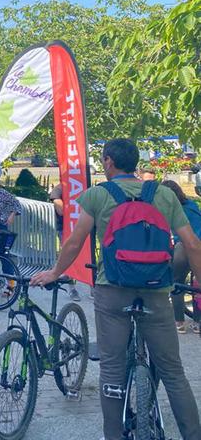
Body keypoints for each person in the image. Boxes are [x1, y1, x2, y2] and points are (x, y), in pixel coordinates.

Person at [31, 139, 201, 440]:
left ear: (109, 162)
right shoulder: (163, 194)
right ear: (135, 161)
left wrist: (55, 272)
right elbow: (192, 244)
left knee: (112, 369)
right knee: (174, 373)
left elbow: (75, 240)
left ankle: (113, 435)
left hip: (113, 290)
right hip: (156, 290)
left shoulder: (97, 195)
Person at [162, 180, 201, 334]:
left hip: (183, 248)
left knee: (177, 283)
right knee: (198, 286)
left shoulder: (171, 209)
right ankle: (198, 322)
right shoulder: (192, 206)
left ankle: (179, 322)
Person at [48, 183, 81, 302]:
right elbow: (60, 209)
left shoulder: (82, 184)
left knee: (87, 256)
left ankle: (92, 286)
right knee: (69, 255)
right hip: (65, 227)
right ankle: (72, 288)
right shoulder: (60, 188)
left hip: (82, 225)